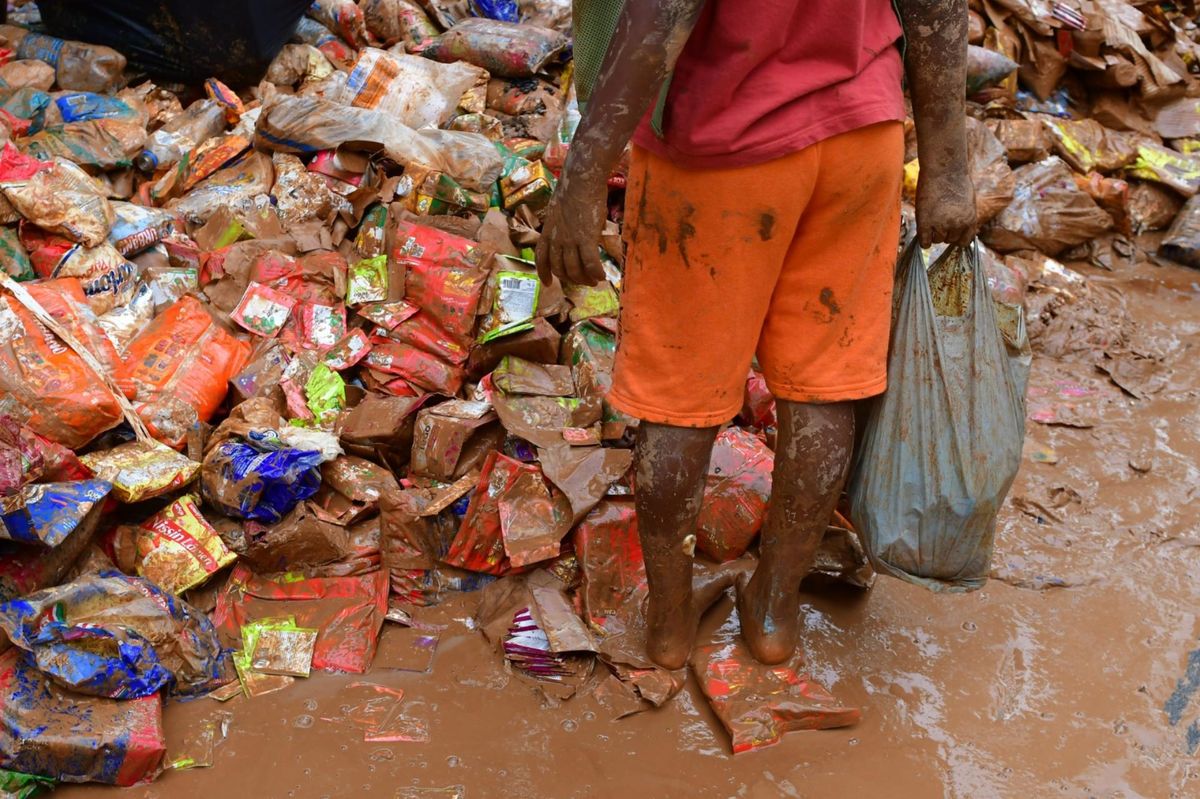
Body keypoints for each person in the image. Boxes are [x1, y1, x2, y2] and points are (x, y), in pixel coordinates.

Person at [536, 0, 978, 669]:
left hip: (721, 145)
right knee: (824, 392)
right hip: (862, 136)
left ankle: (670, 621)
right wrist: (947, 166)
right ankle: (773, 609)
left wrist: (583, 175)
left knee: (679, 405)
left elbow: (663, 8)